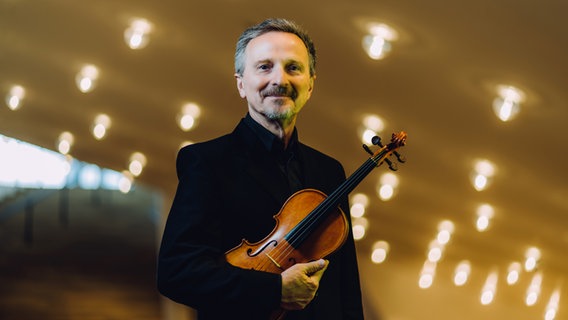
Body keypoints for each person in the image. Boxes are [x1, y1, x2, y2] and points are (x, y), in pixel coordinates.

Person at [157, 18, 364, 320]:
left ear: (310, 84)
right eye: (264, 67)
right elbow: (177, 272)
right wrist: (274, 289)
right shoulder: (206, 161)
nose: (279, 80)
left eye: (293, 67)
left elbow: (347, 287)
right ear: (241, 84)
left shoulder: (329, 170)